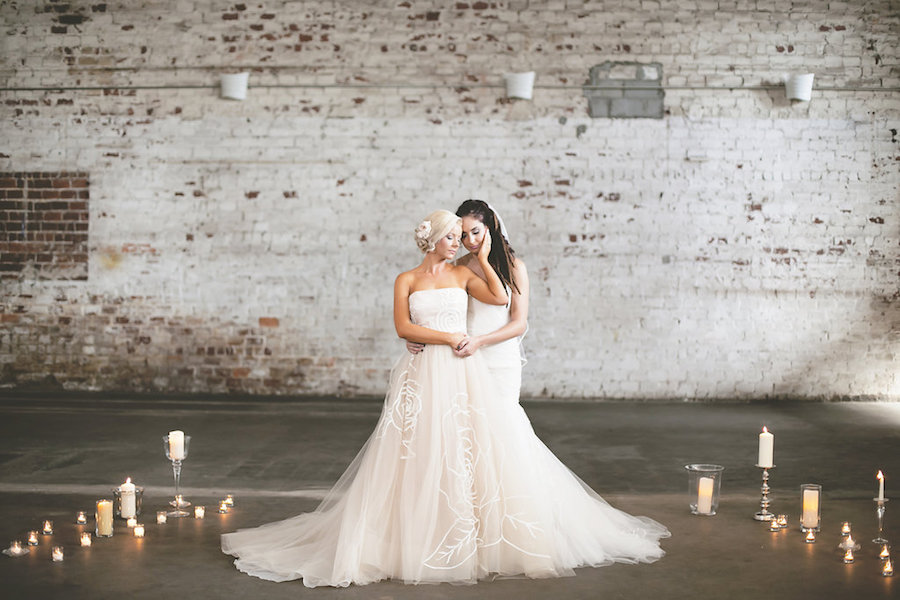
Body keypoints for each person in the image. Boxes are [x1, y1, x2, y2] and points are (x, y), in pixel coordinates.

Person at [222, 209, 668, 588]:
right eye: (452, 237)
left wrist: (484, 258)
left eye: (463, 236)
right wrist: (444, 336)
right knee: (417, 451)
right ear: (432, 239)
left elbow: (498, 296)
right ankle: (421, 531)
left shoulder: (463, 273)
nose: (458, 243)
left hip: (461, 370)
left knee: (471, 444)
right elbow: (403, 327)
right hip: (423, 371)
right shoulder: (406, 279)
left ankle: (477, 532)